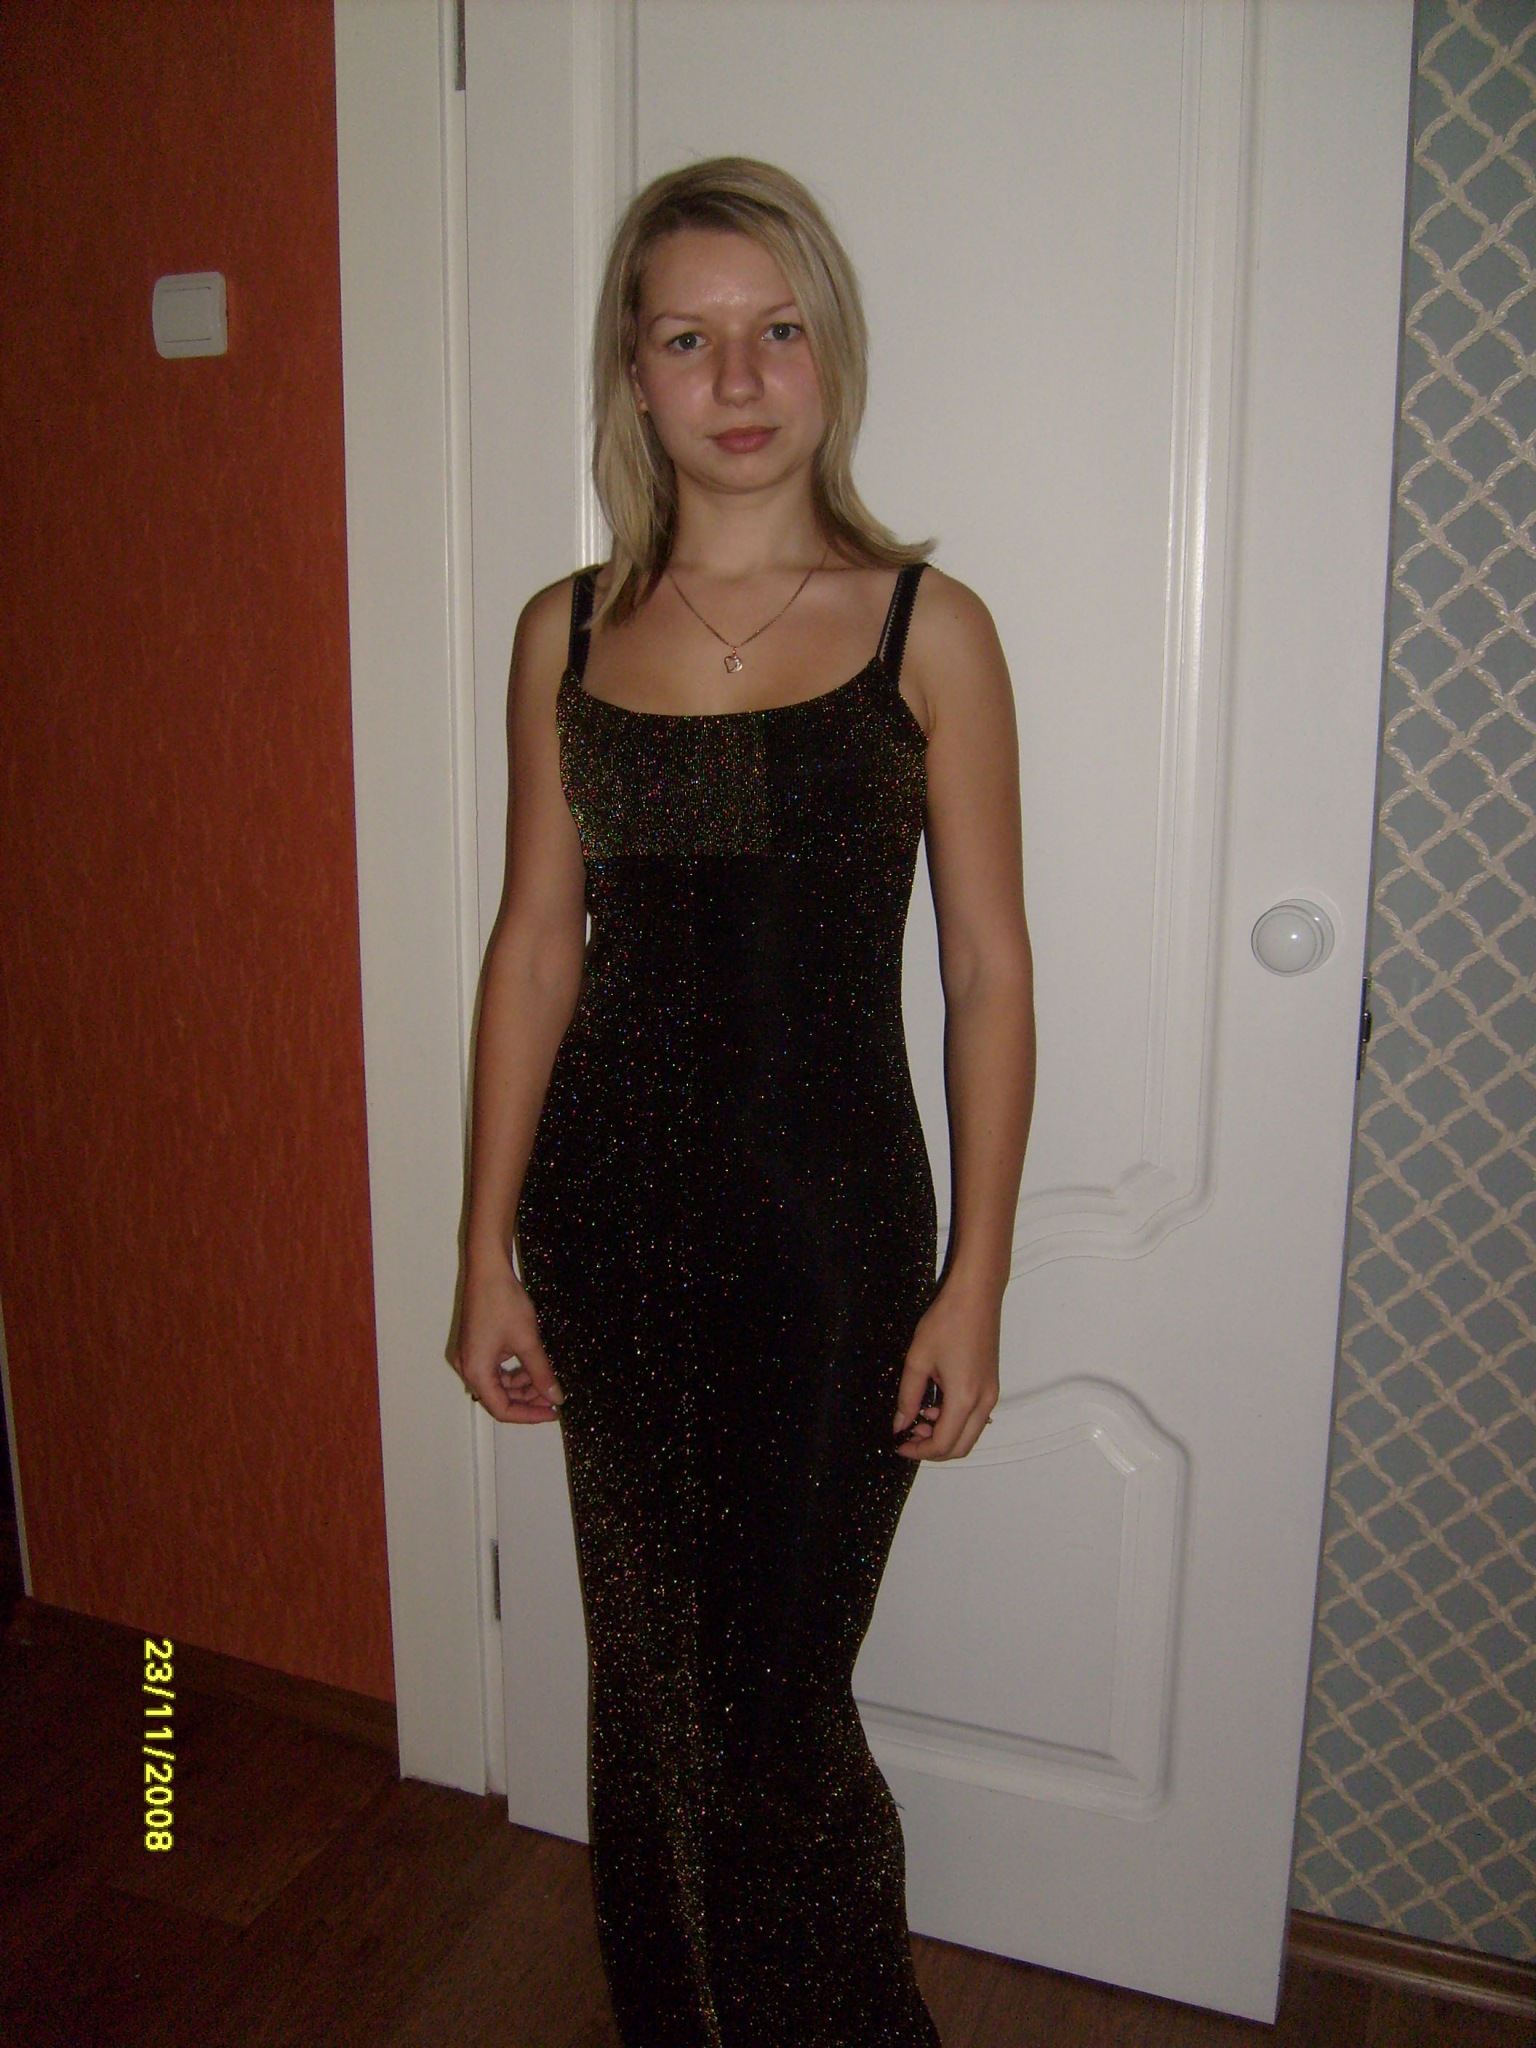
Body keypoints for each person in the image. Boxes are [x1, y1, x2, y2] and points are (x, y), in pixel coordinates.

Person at [455, 157, 1035, 2048]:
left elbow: (986, 973)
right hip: (609, 1230)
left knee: (775, 1705)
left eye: (776, 329)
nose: (736, 376)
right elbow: (535, 948)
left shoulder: (925, 627)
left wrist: (977, 1279)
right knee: (650, 1690)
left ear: (829, 355)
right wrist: (485, 1253)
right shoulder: (565, 631)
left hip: (832, 1246)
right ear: (633, 373)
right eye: (687, 336)